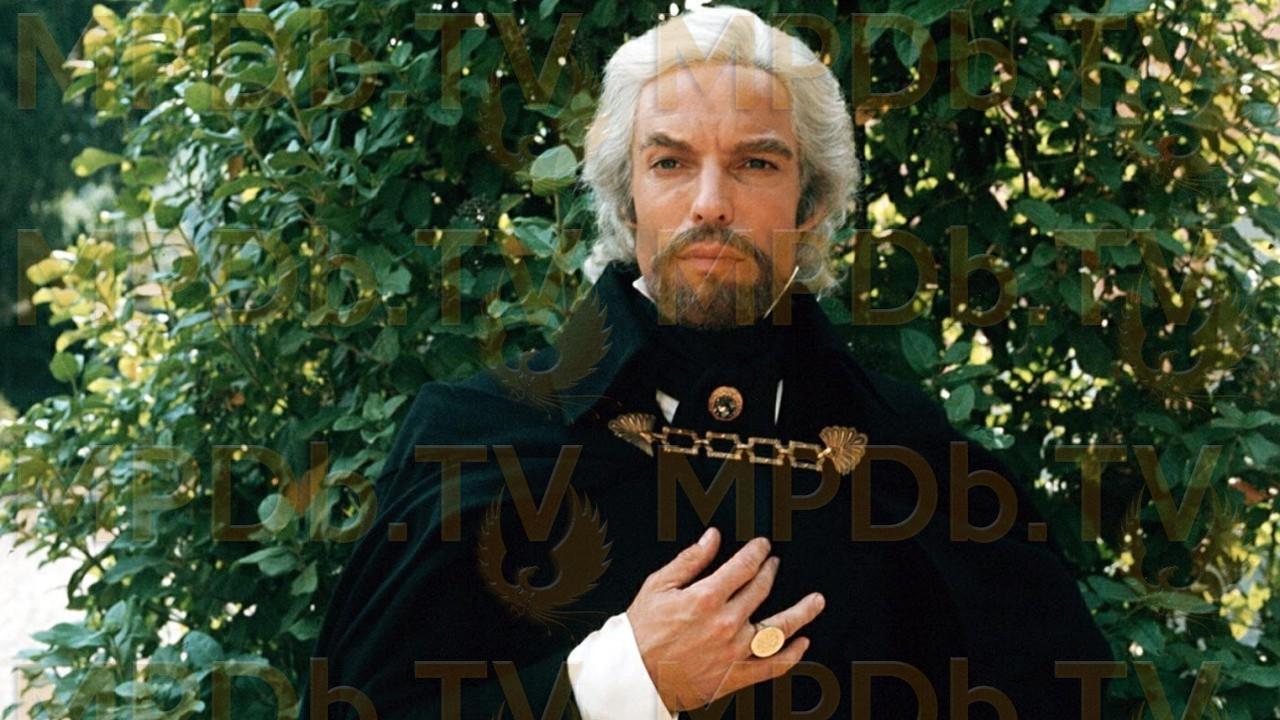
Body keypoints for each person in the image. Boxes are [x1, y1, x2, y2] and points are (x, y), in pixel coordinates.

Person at [300, 6, 1113, 719]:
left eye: (756, 163)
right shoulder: (477, 440)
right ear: (626, 197)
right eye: (671, 162)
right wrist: (621, 681)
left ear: (811, 202)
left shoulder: (910, 455)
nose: (710, 203)